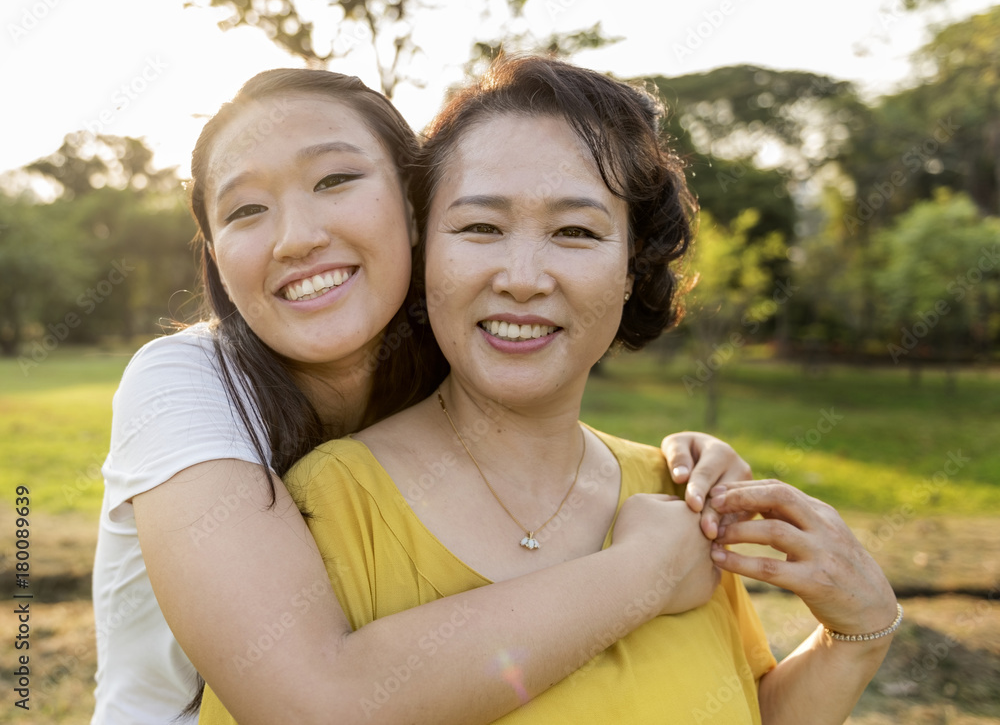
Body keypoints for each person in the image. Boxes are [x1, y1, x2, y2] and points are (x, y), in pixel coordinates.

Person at [201, 56, 900, 724]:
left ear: (632, 267)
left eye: (575, 231)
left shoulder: (679, 497)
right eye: (480, 227)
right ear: (422, 251)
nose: (525, 277)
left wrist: (859, 633)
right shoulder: (331, 505)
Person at [91, 68, 755, 724]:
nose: (296, 237)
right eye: (244, 211)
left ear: (414, 209)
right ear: (215, 257)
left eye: (335, 180)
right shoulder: (184, 384)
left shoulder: (450, 340)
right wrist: (649, 569)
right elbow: (313, 705)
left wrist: (680, 463)